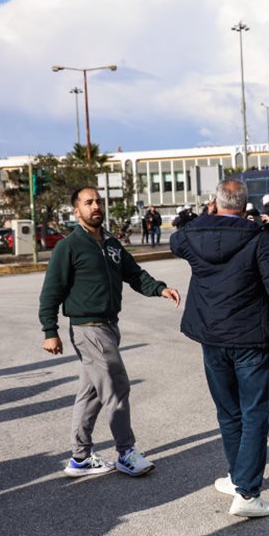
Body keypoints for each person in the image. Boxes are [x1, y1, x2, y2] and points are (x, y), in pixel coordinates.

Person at [170, 179, 269, 518]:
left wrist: (204, 217)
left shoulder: (193, 235)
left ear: (215, 204)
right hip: (249, 337)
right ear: (245, 206)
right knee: (254, 413)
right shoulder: (259, 239)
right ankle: (247, 493)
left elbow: (176, 240)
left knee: (229, 411)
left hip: (211, 336)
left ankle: (237, 477)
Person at [39, 186, 181, 478]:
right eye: (88, 202)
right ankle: (126, 452)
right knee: (116, 387)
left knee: (90, 393)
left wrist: (160, 288)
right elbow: (51, 292)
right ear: (76, 211)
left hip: (109, 327)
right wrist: (49, 330)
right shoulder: (68, 246)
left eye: (99, 201)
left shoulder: (112, 244)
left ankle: (80, 457)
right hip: (88, 329)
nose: (96, 206)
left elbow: (134, 274)